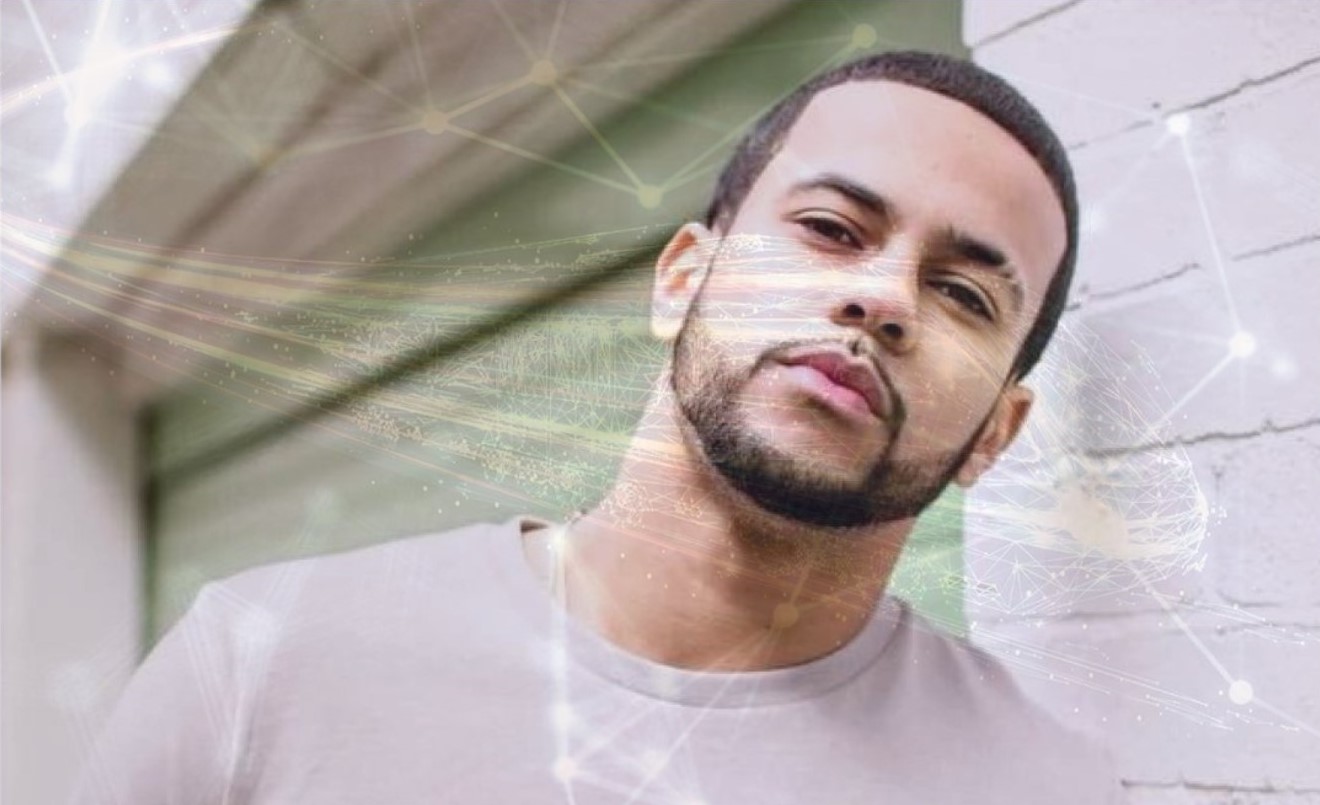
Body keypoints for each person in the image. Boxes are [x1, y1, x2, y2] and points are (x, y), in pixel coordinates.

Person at [74, 51, 1121, 804]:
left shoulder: (1046, 786)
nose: (884, 298)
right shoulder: (265, 665)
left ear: (997, 431)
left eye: (965, 296)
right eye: (830, 230)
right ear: (682, 278)